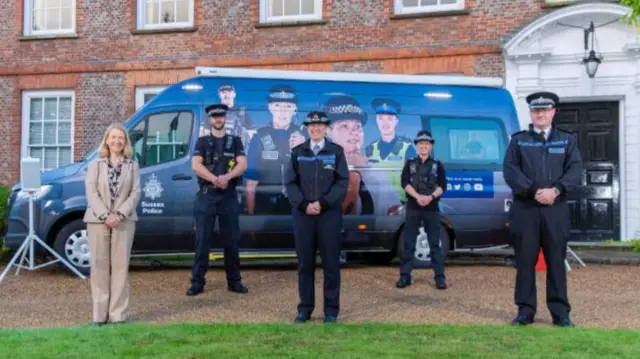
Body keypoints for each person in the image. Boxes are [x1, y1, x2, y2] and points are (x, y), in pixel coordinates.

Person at [503, 91, 583, 327]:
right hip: (526, 209)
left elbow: (575, 171)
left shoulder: (567, 140)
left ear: (553, 112)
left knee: (556, 262)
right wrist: (533, 191)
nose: (541, 114)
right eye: (536, 110)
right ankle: (525, 312)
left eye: (545, 110)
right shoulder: (518, 140)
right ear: (531, 113)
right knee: (525, 262)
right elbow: (510, 171)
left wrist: (555, 190)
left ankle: (561, 314)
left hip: (555, 210)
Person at [286, 111, 349, 324]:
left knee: (331, 264)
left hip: (328, 215)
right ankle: (305, 309)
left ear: (325, 128)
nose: (315, 129)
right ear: (307, 128)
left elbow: (342, 183)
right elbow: (290, 183)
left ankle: (331, 311)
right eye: (312, 126)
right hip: (303, 216)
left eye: (319, 125)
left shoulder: (336, 152)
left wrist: (322, 203)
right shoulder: (298, 152)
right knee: (305, 264)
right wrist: (305, 204)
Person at [186, 103, 249, 296]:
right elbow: (196, 165)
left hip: (228, 194)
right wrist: (214, 178)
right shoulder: (202, 142)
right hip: (207, 195)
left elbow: (243, 164)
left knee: (231, 241)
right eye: (215, 117)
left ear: (225, 118)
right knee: (202, 240)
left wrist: (226, 178)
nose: (218, 119)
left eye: (221, 116)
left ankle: (234, 281)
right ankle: (197, 283)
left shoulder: (235, 141)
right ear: (210, 120)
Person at [84, 122, 141, 325]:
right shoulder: (95, 165)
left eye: (121, 138)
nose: (117, 141)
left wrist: (118, 214)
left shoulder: (132, 166)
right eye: (113, 137)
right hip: (97, 222)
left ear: (125, 142)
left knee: (120, 268)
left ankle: (118, 315)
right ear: (106, 140)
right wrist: (105, 215)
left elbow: (135, 193)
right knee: (99, 267)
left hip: (124, 222)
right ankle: (99, 316)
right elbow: (91, 193)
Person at [396, 130, 447, 290]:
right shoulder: (409, 163)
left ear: (430, 146)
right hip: (413, 206)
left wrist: (430, 197)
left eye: (426, 143)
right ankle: (405, 277)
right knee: (409, 242)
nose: (423, 146)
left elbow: (443, 186)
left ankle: (440, 278)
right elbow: (404, 183)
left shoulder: (437, 164)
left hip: (431, 207)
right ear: (416, 146)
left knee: (434, 243)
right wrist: (418, 196)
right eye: (420, 143)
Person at [244, 85, 306, 215]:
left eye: (288, 107)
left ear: (295, 109)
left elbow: (320, 173)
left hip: (299, 206)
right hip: (266, 207)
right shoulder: (259, 137)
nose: (283, 112)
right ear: (270, 107)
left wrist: (306, 146)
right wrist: (251, 217)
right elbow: (251, 183)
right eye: (278, 106)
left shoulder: (306, 135)